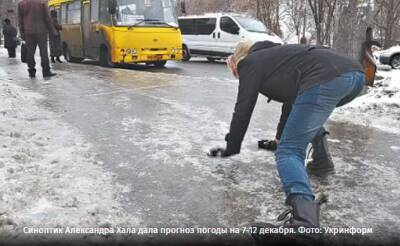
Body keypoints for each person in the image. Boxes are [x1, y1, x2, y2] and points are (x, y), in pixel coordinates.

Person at [209, 40, 365, 240]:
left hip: (326, 77)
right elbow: (292, 104)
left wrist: (232, 146)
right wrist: (279, 138)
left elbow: (243, 108)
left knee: (289, 152)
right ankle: (322, 162)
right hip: (354, 76)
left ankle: (305, 224)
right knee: (309, 111)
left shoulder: (251, 62)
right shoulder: (280, 57)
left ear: (240, 58)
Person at [18, 0, 57, 78]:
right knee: (44, 52)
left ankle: (31, 72)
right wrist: (53, 31)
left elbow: (20, 20)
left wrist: (22, 32)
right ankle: (46, 71)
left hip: (28, 32)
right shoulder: (42, 2)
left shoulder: (21, 4)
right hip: (41, 31)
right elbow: (47, 18)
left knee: (30, 53)